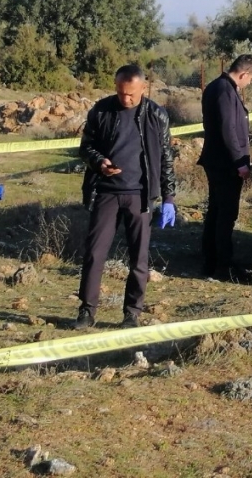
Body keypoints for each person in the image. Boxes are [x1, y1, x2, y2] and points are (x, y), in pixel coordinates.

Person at [76, 64, 176, 330]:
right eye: (121, 92)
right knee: (95, 255)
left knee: (139, 259)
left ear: (143, 88)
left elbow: (166, 157)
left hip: (140, 196)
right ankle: (86, 311)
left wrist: (168, 198)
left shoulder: (156, 115)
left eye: (131, 94)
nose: (125, 98)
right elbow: (85, 147)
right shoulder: (101, 110)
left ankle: (132, 313)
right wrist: (99, 162)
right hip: (106, 193)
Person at [198, 54, 252, 281]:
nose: (249, 83)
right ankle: (221, 267)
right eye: (250, 79)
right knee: (225, 215)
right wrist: (239, 162)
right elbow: (228, 130)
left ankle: (212, 261)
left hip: (218, 161)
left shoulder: (219, 87)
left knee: (216, 213)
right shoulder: (225, 90)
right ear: (244, 74)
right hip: (225, 164)